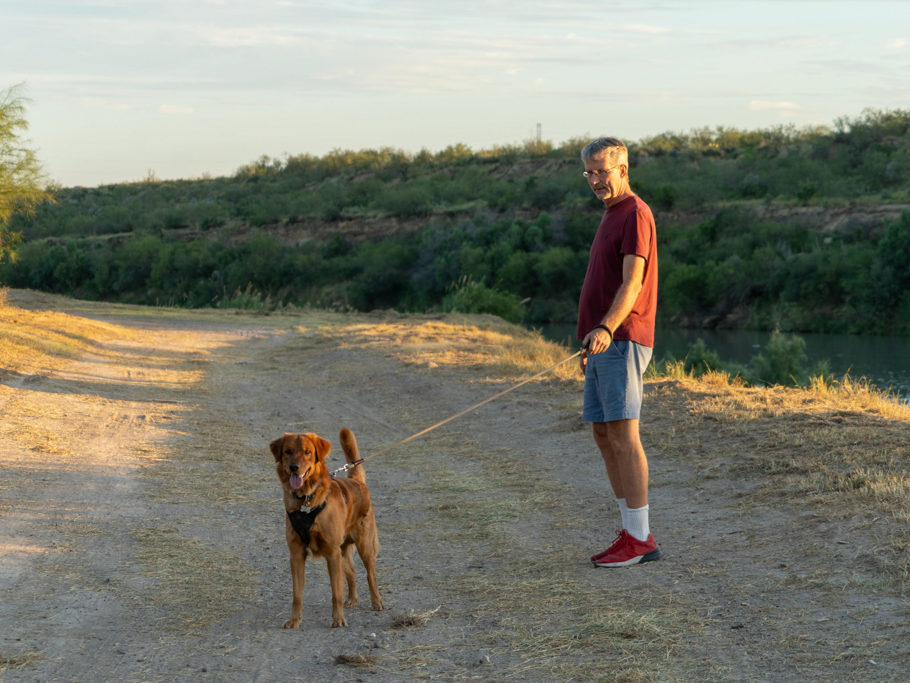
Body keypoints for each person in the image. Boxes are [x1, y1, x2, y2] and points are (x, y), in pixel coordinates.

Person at [576, 137, 661, 568]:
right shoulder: (611, 215)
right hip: (601, 342)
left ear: (622, 169)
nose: (595, 180)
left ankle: (641, 539)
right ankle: (629, 530)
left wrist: (607, 327)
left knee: (625, 437)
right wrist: (591, 337)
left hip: (622, 337)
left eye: (602, 171)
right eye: (588, 173)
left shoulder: (635, 213)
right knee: (604, 435)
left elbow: (633, 283)